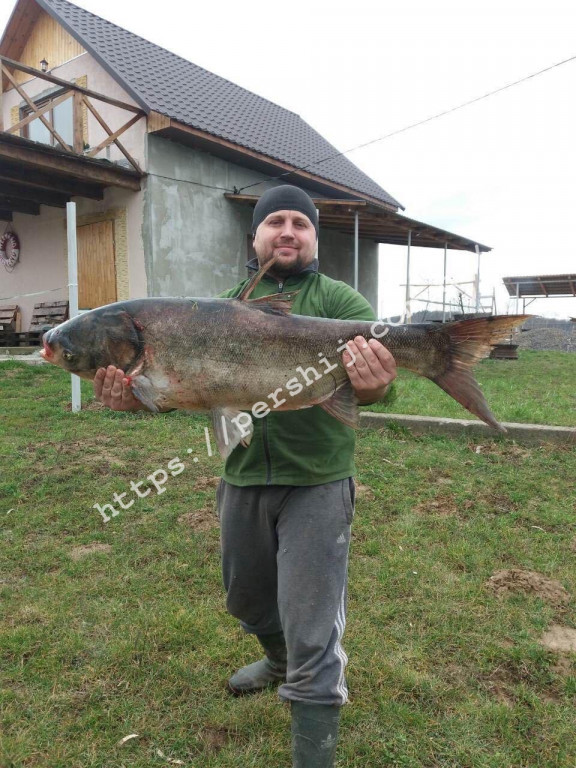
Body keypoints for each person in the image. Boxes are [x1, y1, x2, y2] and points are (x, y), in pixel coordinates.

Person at [94, 185, 397, 767]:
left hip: (318, 482)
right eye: (274, 222)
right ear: (254, 238)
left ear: (314, 236)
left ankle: (313, 739)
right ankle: (276, 660)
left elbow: (380, 387)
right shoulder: (218, 309)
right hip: (241, 478)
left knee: (312, 624)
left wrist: (376, 381)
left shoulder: (341, 304)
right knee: (248, 599)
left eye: (300, 223)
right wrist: (134, 398)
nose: (288, 231)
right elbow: (185, 389)